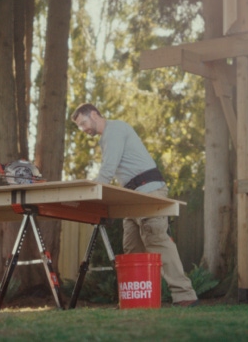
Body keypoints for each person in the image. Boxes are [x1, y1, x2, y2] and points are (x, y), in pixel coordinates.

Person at [71, 103, 199, 307]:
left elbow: (107, 172)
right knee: (132, 248)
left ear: (95, 115)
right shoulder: (106, 139)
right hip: (132, 198)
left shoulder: (115, 130)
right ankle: (138, 299)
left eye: (83, 123)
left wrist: (86, 196)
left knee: (156, 240)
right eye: (79, 126)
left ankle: (185, 295)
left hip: (148, 192)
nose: (83, 129)